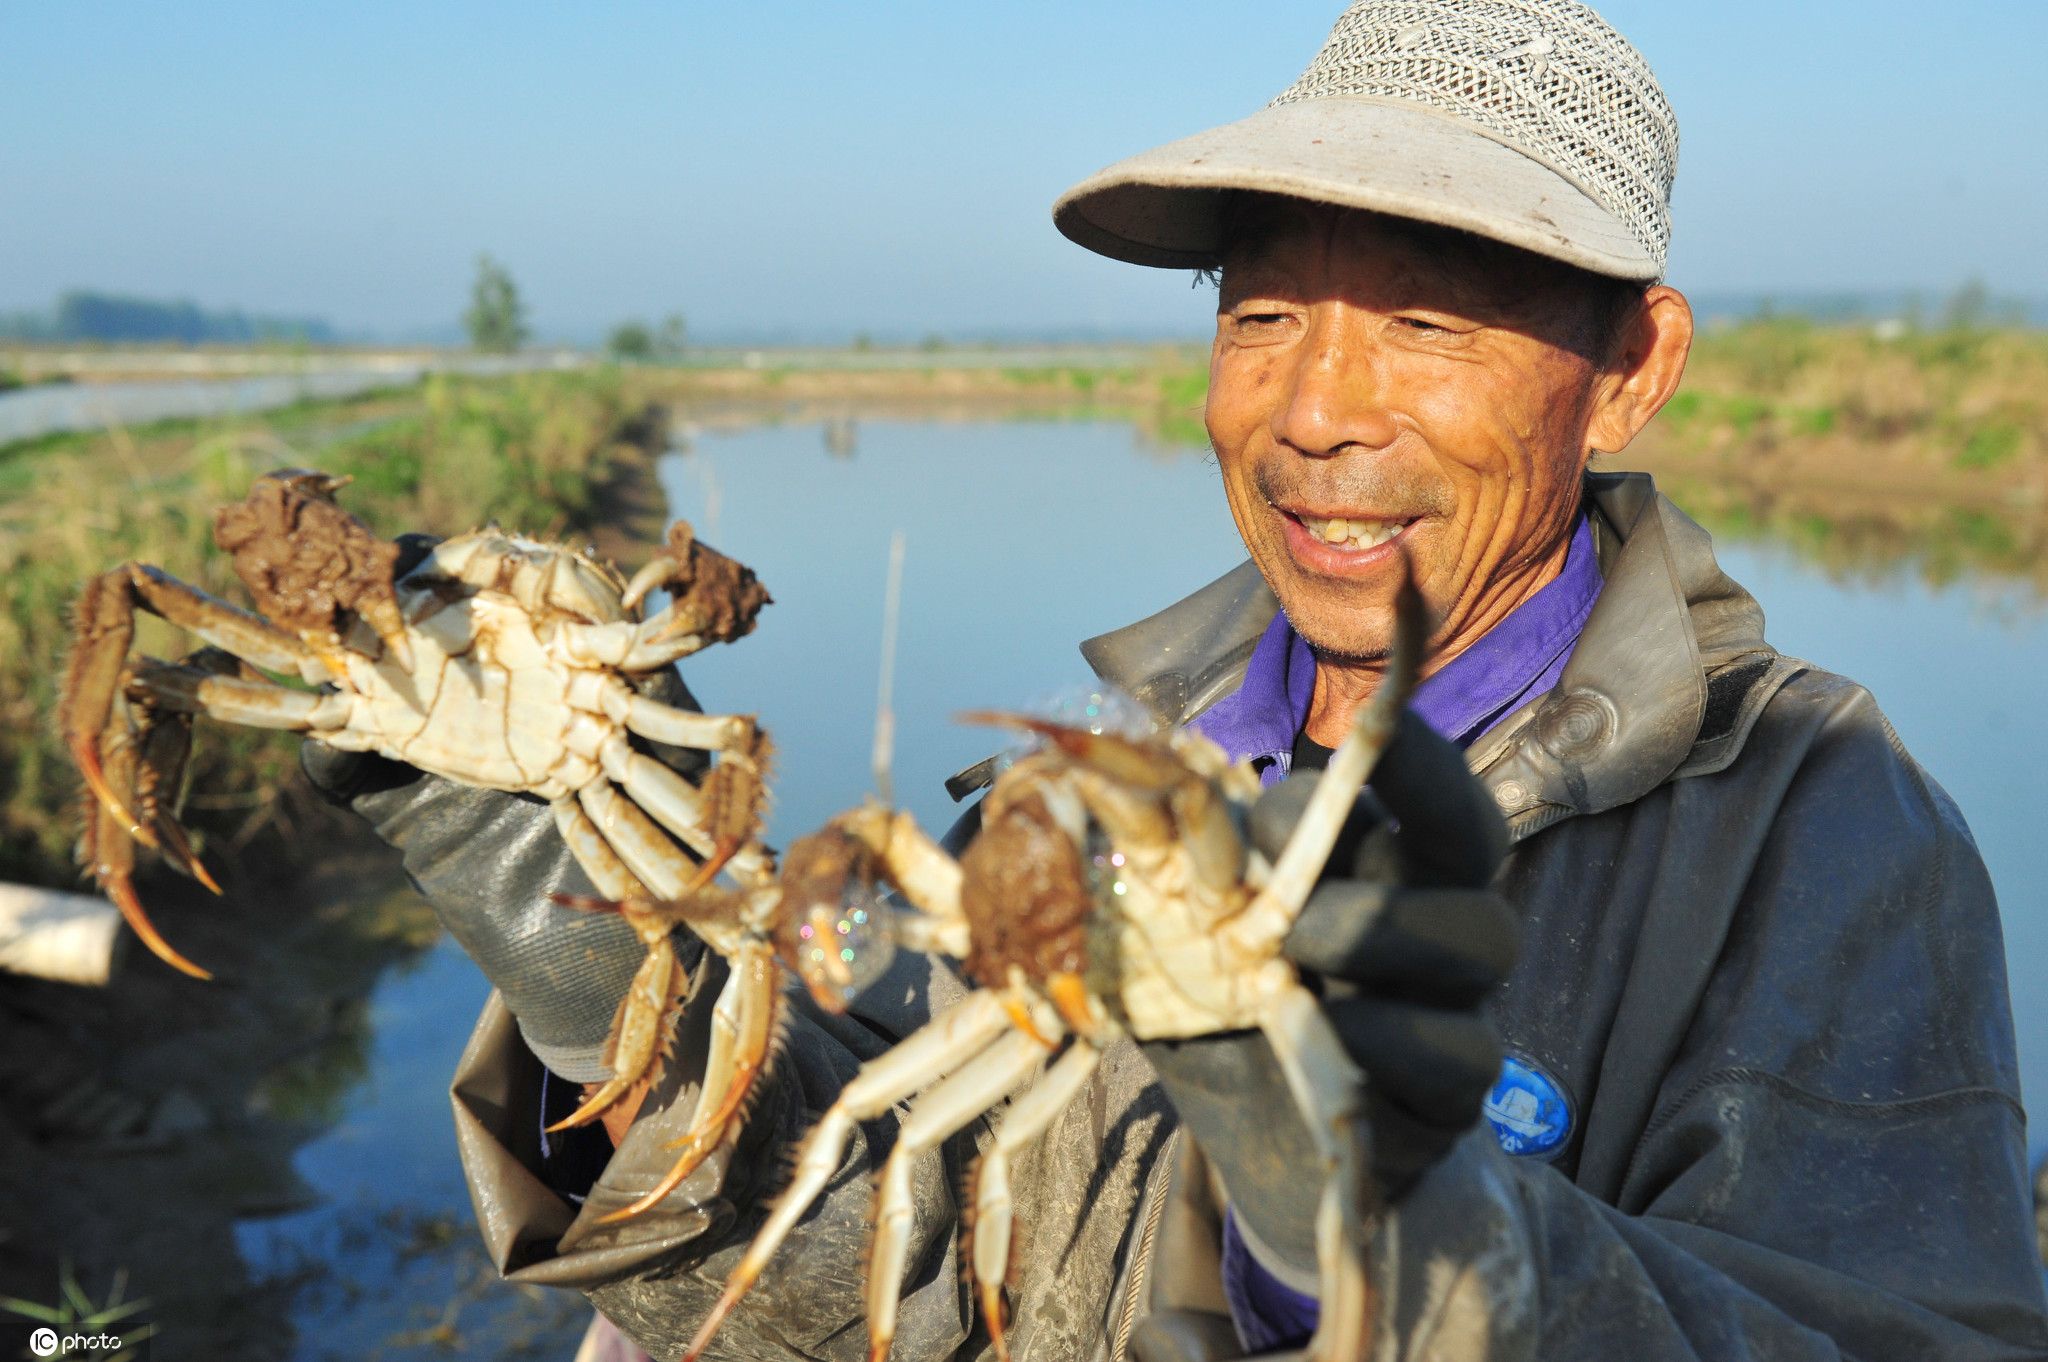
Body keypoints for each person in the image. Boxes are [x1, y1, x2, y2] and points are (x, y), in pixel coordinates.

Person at [305, 1, 2048, 1358]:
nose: (1312, 410)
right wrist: (586, 946)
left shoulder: (1823, 834)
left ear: (1627, 369)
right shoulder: (1119, 769)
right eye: (1262, 312)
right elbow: (894, 1294)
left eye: (1427, 322)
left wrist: (1383, 1236)